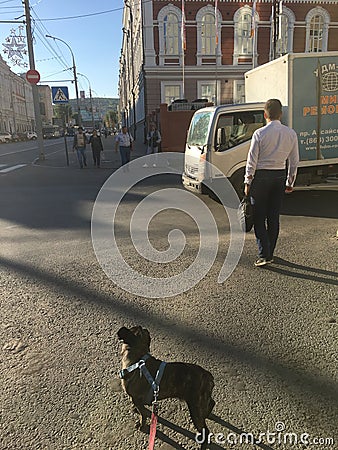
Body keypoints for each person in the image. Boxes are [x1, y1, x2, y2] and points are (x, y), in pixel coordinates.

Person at [244, 98, 299, 267]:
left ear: (265, 114)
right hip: (279, 176)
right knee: (273, 216)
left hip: (261, 178)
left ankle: (263, 254)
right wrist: (290, 181)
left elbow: (251, 161)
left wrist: (247, 182)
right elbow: (294, 160)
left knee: (259, 217)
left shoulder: (259, 134)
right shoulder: (291, 134)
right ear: (281, 114)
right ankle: (271, 252)